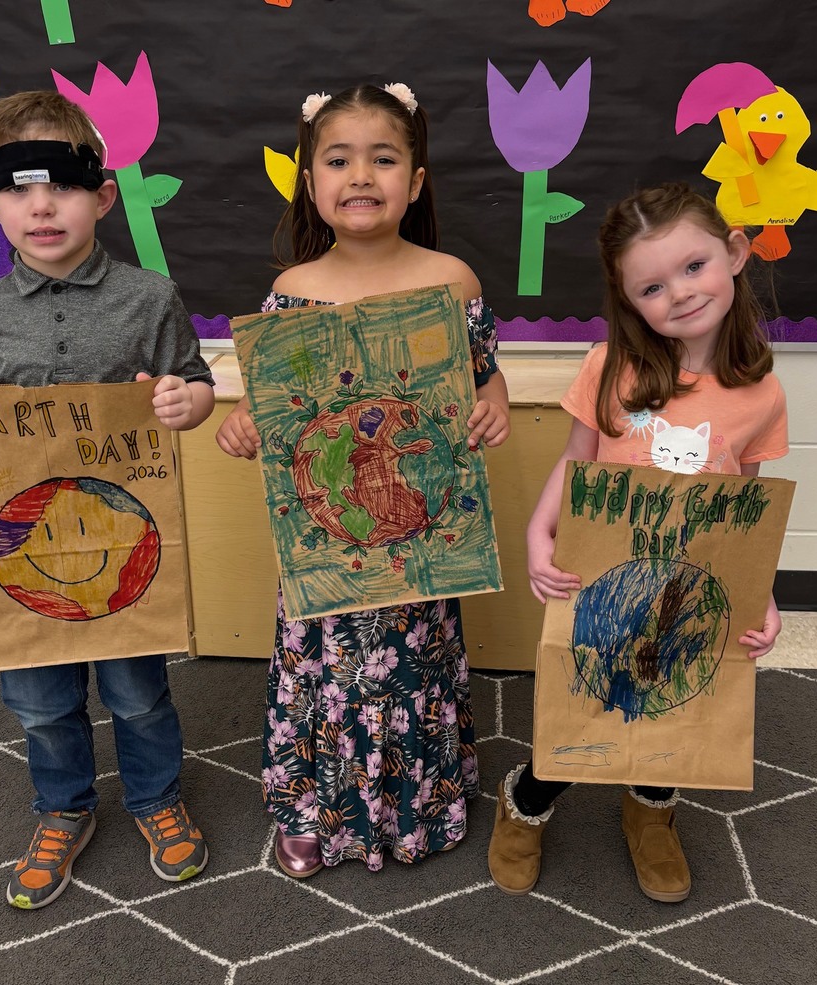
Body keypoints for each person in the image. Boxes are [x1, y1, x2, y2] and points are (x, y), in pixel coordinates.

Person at [0, 91, 217, 910]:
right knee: (38, 698)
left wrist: (185, 402)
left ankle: (154, 795)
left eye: (63, 184)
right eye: (17, 187)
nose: (42, 205)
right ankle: (63, 804)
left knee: (138, 688)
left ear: (102, 195)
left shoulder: (151, 298)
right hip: (22, 546)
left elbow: (200, 386)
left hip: (121, 539)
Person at [216, 82, 511, 876]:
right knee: (324, 663)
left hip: (416, 533)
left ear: (415, 181)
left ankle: (422, 799)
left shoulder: (454, 281)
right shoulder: (293, 291)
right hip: (327, 537)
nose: (361, 176)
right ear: (310, 180)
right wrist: (242, 423)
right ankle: (313, 805)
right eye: (338, 159)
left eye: (384, 159)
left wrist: (494, 408)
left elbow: (484, 379)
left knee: (413, 662)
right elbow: (272, 410)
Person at [488, 182, 788, 903]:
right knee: (584, 696)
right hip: (603, 576)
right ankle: (527, 797)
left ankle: (651, 808)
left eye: (694, 267)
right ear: (629, 300)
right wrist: (538, 531)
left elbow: (742, 505)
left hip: (690, 586)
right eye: (653, 285)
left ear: (736, 253)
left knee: (670, 703)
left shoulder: (761, 391)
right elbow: (576, 459)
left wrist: (761, 592)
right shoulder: (608, 367)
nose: (680, 294)